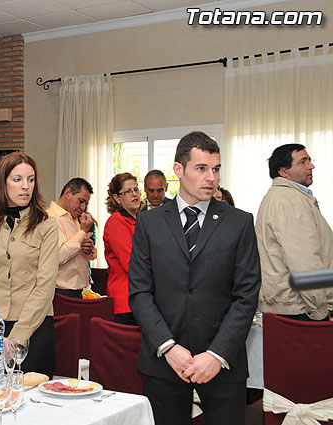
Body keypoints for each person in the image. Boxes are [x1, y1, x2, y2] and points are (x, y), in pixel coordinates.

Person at [128, 131, 261, 425]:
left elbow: (246, 296)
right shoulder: (149, 223)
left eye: (215, 169)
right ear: (178, 170)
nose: (211, 178)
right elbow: (139, 292)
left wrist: (216, 354)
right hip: (164, 362)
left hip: (223, 363)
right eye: (201, 169)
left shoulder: (239, 222)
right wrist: (168, 347)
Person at [0, 152, 59, 377]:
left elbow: (45, 286)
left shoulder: (46, 226)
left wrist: (19, 335)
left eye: (30, 179)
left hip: (35, 327)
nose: (25, 186)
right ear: (3, 183)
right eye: (17, 179)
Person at [256, 144, 333, 321]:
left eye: (309, 161)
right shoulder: (290, 202)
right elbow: (304, 263)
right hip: (301, 310)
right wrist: (320, 311)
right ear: (284, 172)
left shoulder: (288, 197)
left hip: (296, 307)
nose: (311, 166)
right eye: (303, 162)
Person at [46, 177, 96, 299]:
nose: (83, 207)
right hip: (60, 292)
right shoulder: (50, 218)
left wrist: (89, 249)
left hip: (76, 290)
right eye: (81, 201)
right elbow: (59, 256)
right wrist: (83, 232)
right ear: (67, 193)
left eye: (86, 204)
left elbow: (79, 252)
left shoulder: (73, 219)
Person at [103, 173, 142, 325]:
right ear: (117, 198)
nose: (134, 194)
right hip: (125, 300)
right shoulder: (116, 222)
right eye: (128, 191)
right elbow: (130, 263)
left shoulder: (138, 220)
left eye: (136, 189)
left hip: (138, 296)